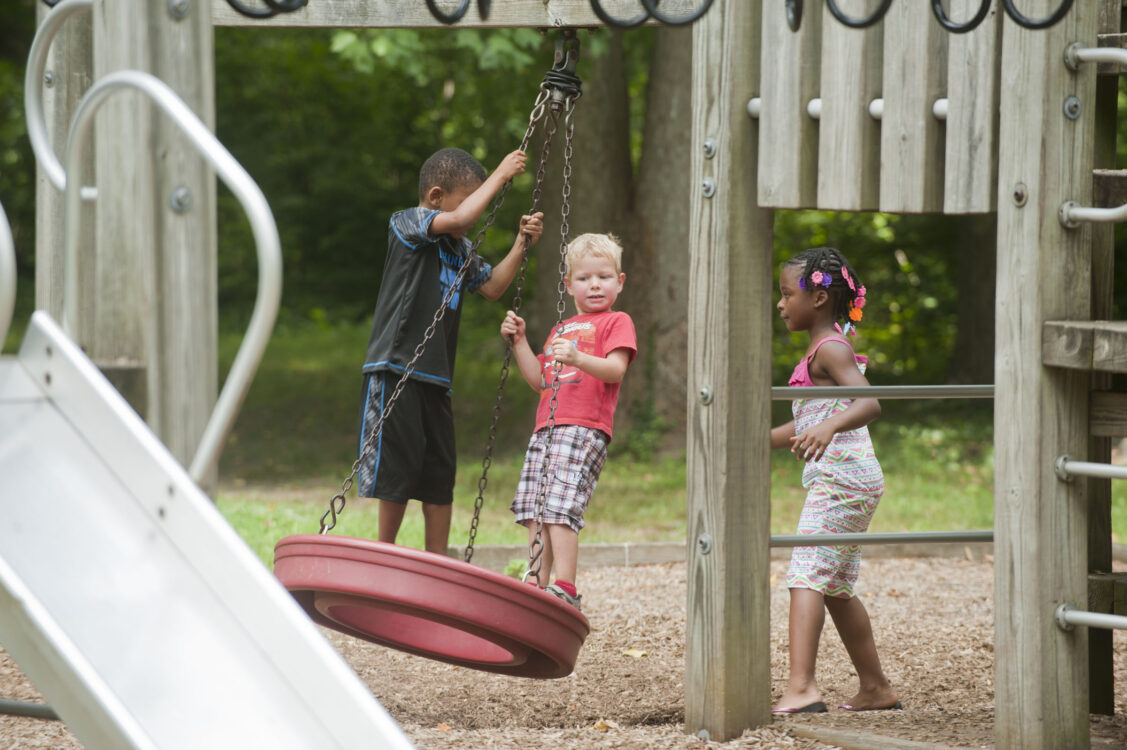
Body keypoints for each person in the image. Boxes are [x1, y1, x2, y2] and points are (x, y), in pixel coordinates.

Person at [358, 147, 544, 555]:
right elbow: (463, 219)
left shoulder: (458, 251)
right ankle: (383, 553)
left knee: (440, 474)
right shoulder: (408, 222)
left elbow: (493, 287)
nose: (471, 214)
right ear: (436, 196)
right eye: (467, 200)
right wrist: (500, 174)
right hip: (396, 368)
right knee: (398, 470)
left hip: (437, 378)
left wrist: (520, 243)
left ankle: (436, 561)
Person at [770, 246, 900, 714]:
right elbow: (810, 420)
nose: (781, 304)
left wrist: (827, 428)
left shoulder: (831, 348)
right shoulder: (824, 348)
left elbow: (868, 404)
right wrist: (758, 440)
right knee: (836, 589)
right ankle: (876, 688)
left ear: (819, 299)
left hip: (841, 483)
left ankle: (802, 687)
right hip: (851, 481)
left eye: (787, 294)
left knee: (805, 575)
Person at [500, 233, 637, 610]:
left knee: (560, 505)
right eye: (584, 278)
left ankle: (566, 586)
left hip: (583, 427)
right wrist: (521, 343)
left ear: (619, 282)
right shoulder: (561, 329)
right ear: (568, 284)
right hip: (546, 428)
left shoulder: (616, 322)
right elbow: (541, 380)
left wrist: (577, 359)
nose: (595, 285)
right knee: (534, 507)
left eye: (604, 277)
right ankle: (535, 581)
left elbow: (614, 370)